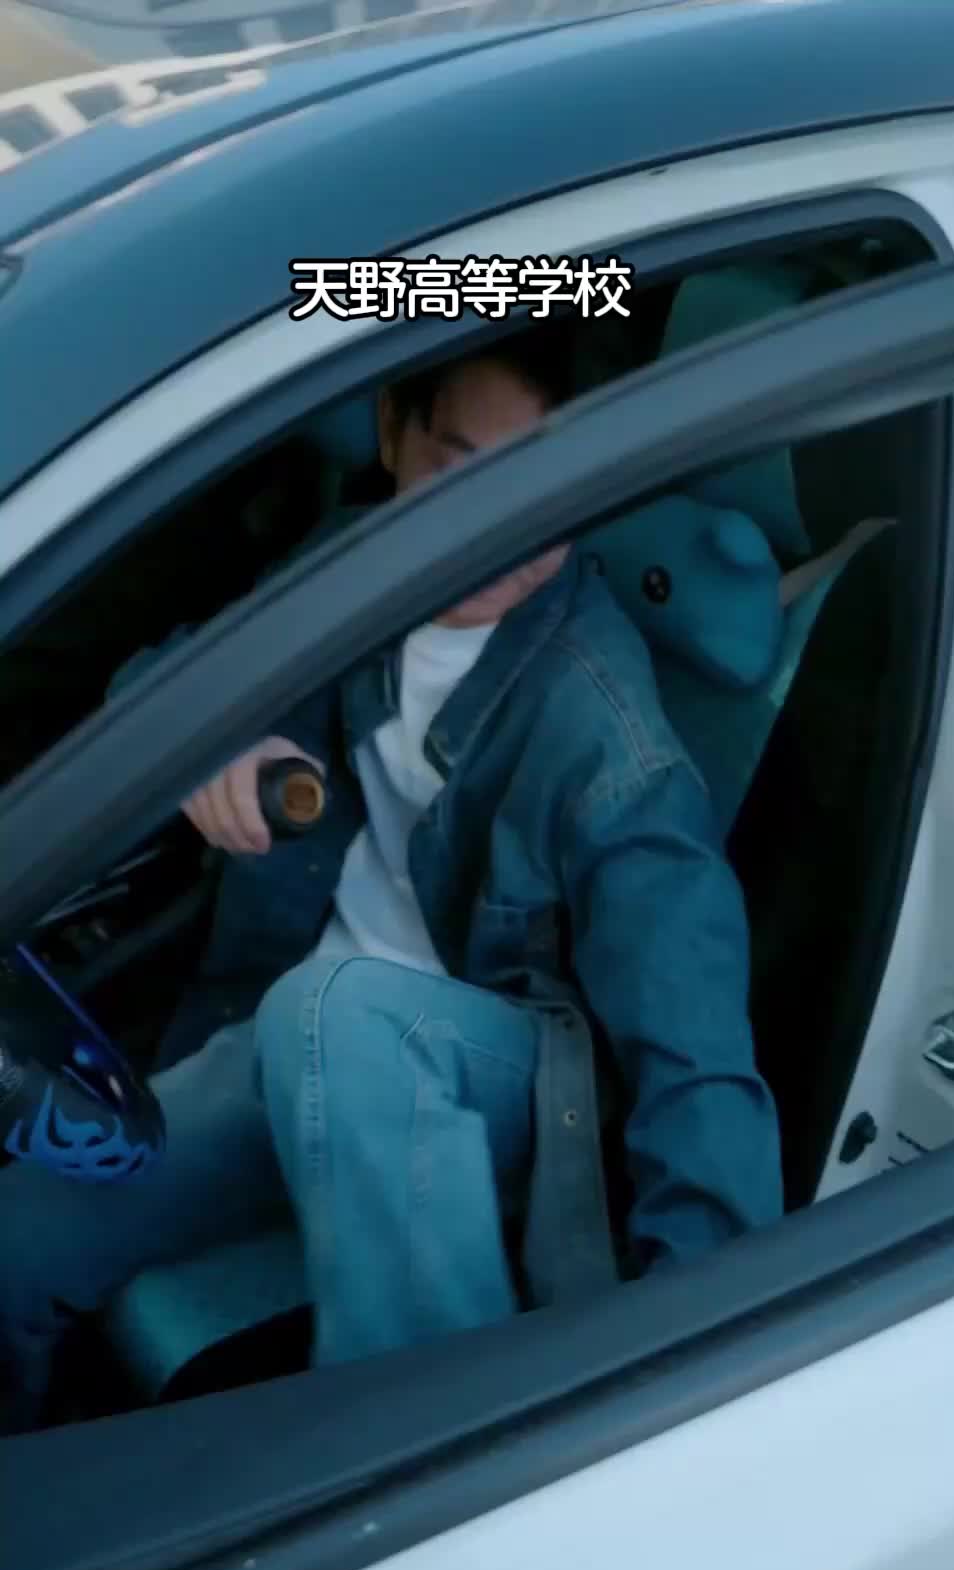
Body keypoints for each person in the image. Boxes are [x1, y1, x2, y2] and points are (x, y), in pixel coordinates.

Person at [0, 331, 783, 1434]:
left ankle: (439, 1454)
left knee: (339, 1012)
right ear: (390, 432)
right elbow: (159, 678)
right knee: (21, 1234)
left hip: (481, 1087)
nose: (499, 536)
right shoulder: (354, 567)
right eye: (462, 474)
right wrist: (214, 743)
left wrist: (700, 1378)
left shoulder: (610, 740)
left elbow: (695, 1053)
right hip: (290, 1038)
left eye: (547, 493)